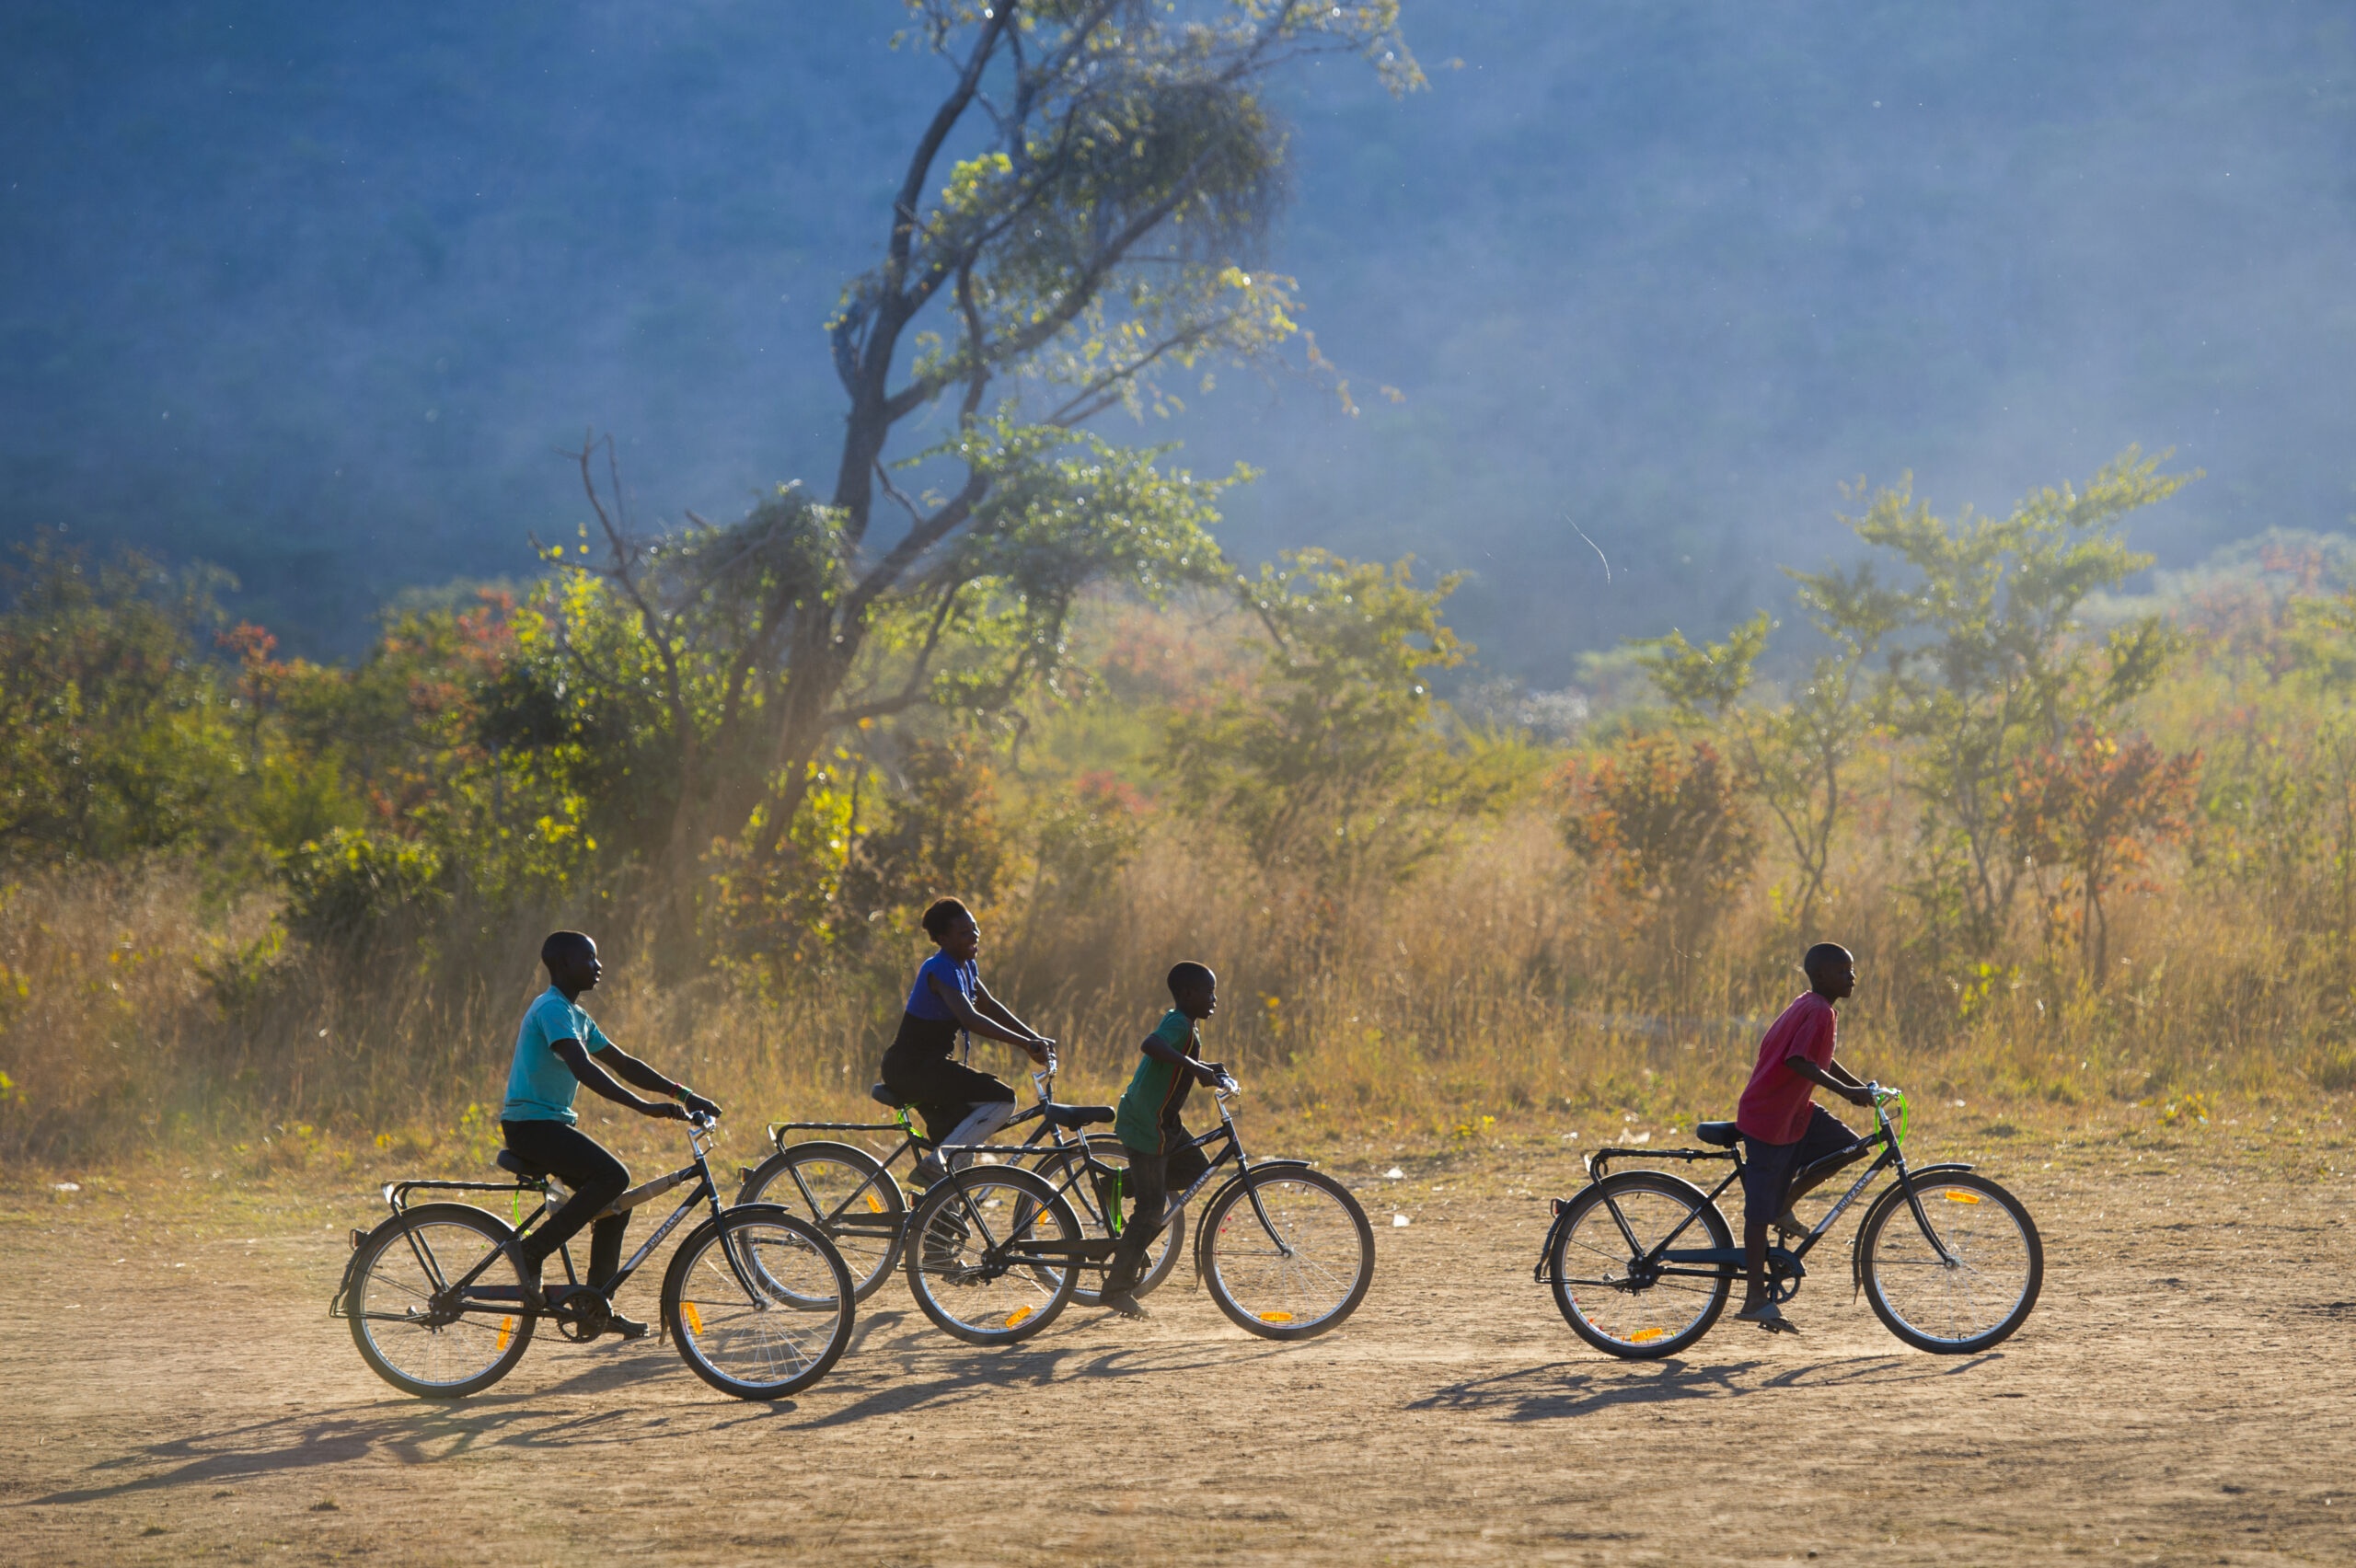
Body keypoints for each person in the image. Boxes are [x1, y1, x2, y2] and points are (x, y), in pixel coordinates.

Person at [499, 930, 721, 1336]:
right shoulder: (551, 1009)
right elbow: (582, 1067)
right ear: (564, 964)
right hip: (530, 1127)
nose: (598, 966)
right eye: (589, 958)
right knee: (613, 1175)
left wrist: (686, 1096)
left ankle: (594, 1306)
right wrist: (644, 1108)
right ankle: (530, 1252)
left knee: (616, 1202)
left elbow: (624, 1063)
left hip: (548, 1125)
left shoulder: (575, 1015)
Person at [1732, 941, 1875, 1333]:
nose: (1852, 977)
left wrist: (1859, 1087)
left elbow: (1818, 1059)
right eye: (1844, 971)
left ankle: (1786, 1202)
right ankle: (1755, 1298)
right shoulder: (1817, 1010)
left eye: (1852, 969)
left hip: (1794, 1112)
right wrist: (1847, 1093)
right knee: (1758, 1214)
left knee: (1850, 1146)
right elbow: (1797, 1061)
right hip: (1770, 1118)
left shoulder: (1812, 1005)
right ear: (1822, 976)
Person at [879, 897, 1054, 1182]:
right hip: (912, 1068)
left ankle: (941, 1212)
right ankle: (939, 1163)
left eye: (974, 929)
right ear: (943, 939)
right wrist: (1024, 1045)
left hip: (928, 1067)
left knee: (964, 1131)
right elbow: (970, 1017)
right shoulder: (941, 968)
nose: (974, 937)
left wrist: (1034, 1038)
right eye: (964, 933)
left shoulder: (964, 965)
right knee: (1002, 1099)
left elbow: (988, 1005)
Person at [1099, 961, 1226, 1320]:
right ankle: (1117, 1288)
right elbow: (1150, 1044)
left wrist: (1210, 1069)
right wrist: (1196, 1067)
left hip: (1164, 1121)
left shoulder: (1187, 1028)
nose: (1214, 998)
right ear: (1187, 995)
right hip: (1147, 1123)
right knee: (1152, 1210)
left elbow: (1177, 1063)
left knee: (1196, 1172)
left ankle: (1118, 1184)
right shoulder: (1177, 1023)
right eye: (1208, 992)